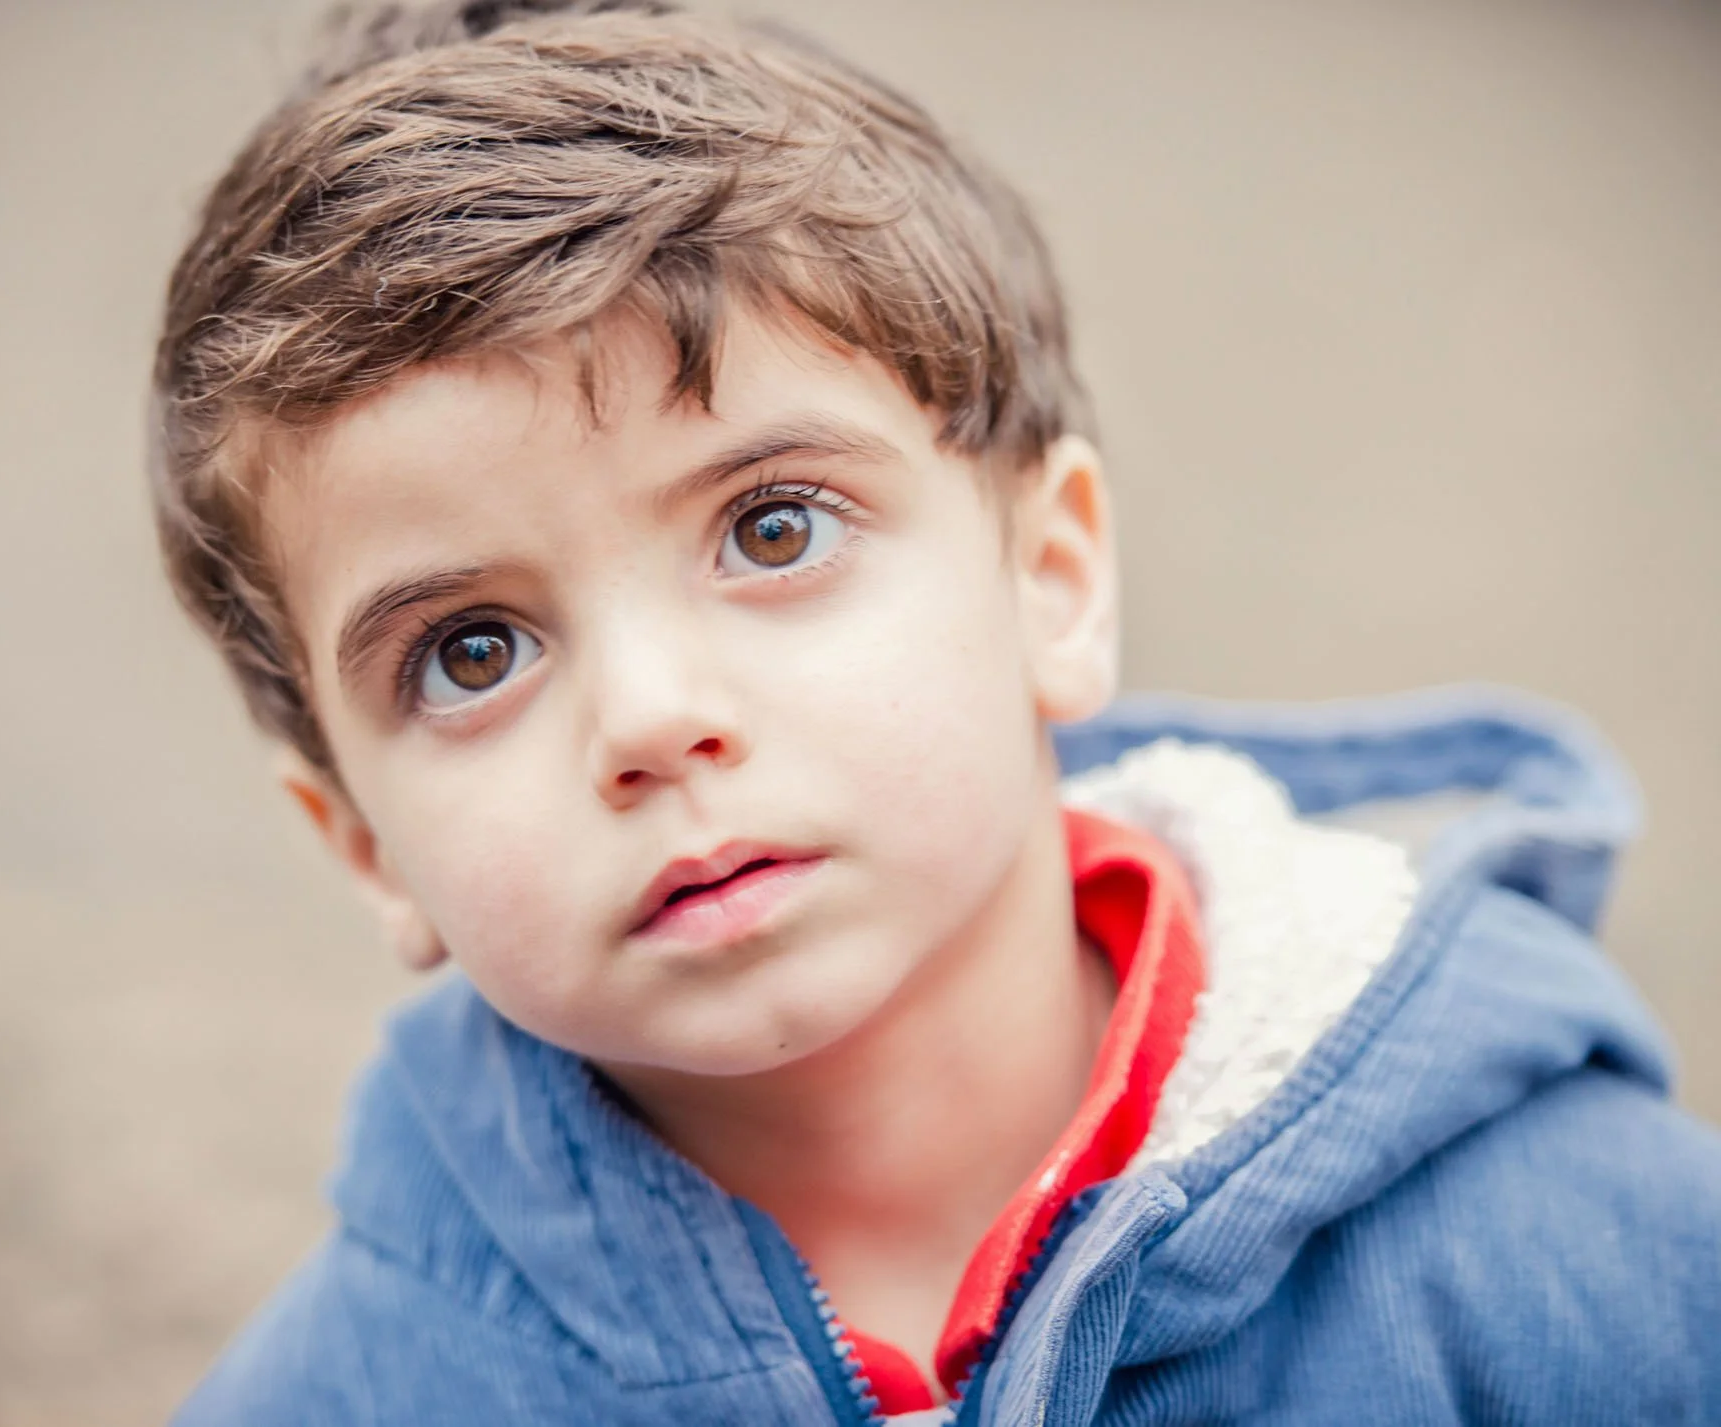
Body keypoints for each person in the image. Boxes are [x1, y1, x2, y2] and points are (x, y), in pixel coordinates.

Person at [149, 2, 1721, 1421]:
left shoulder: (1585, 1255)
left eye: (774, 528)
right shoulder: (353, 1392)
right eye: (473, 650)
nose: (650, 716)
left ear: (1050, 578)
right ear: (362, 843)